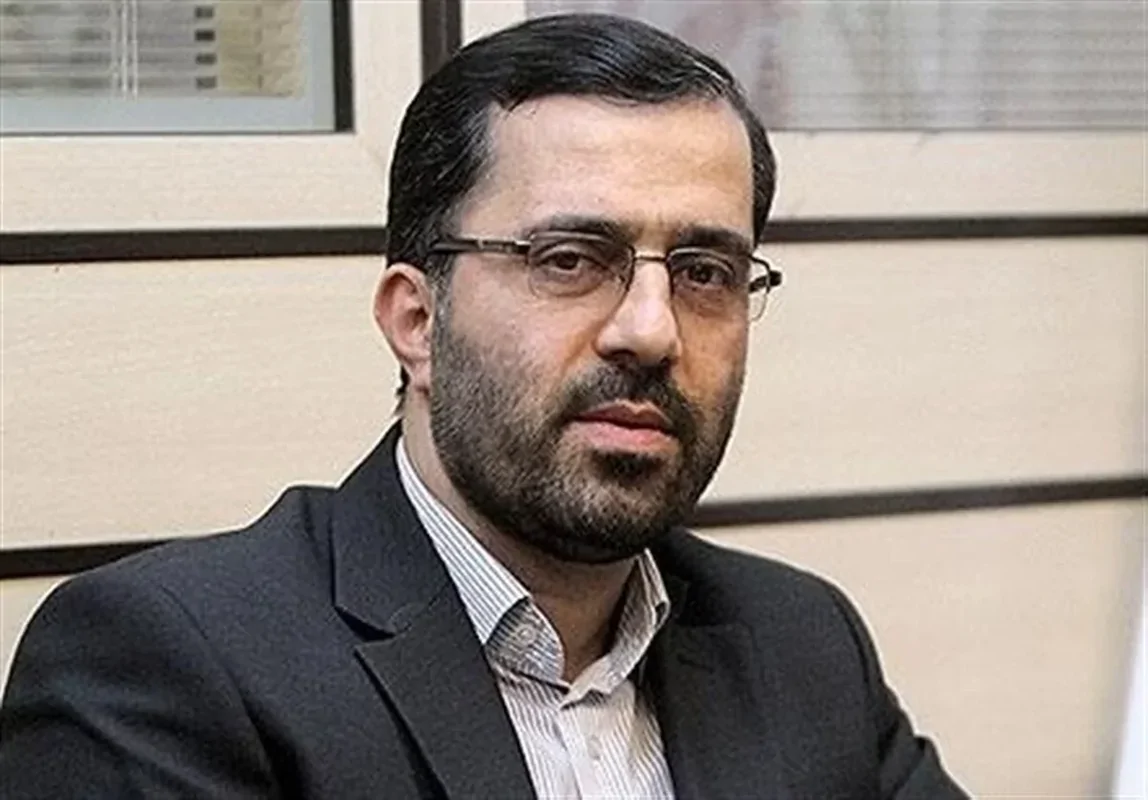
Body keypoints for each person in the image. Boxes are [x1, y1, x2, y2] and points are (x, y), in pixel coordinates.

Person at [0, 13, 968, 799]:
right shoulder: (174, 664)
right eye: (569, 259)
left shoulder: (799, 642)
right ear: (417, 319)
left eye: (703, 271)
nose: (650, 329)